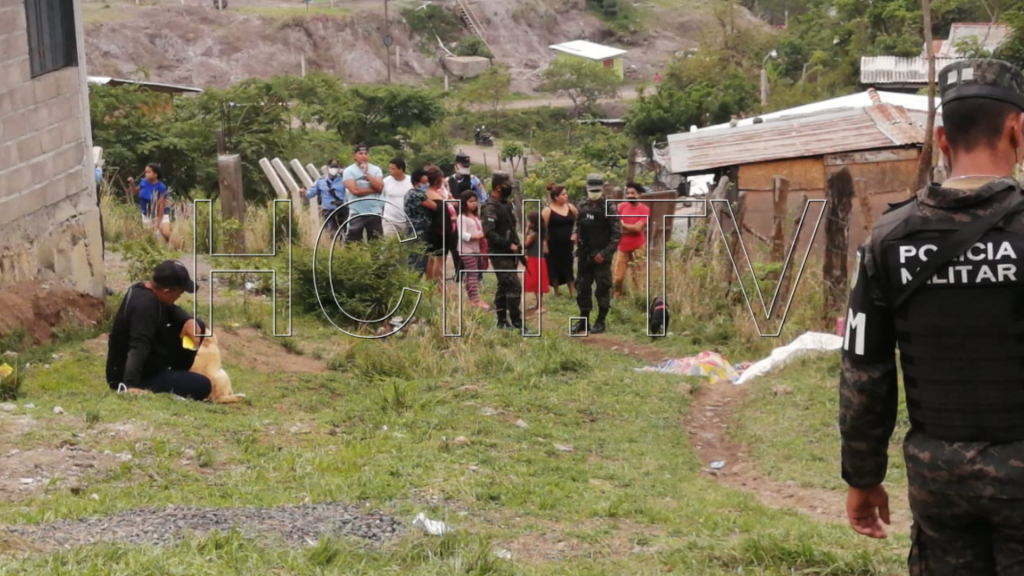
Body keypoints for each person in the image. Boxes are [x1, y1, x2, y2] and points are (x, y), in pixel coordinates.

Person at [840, 59, 1024, 575]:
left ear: (941, 138)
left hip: (937, 476)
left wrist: (863, 475)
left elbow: (863, 371)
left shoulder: (889, 239)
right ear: (1018, 129)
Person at [105, 260, 212, 401]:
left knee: (197, 326)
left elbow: (172, 310)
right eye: (179, 294)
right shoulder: (145, 306)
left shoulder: (144, 290)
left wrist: (188, 320)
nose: (178, 298)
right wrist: (130, 385)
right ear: (166, 291)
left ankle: (175, 375)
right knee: (202, 385)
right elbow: (138, 346)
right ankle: (147, 386)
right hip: (129, 376)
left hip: (151, 365)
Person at [571, 174, 621, 335]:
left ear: (602, 189)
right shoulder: (583, 205)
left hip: (601, 256)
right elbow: (577, 223)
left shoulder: (609, 208)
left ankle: (601, 321)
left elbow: (616, 235)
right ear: (587, 189)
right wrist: (574, 234)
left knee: (602, 289)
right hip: (585, 255)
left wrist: (605, 254)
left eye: (596, 190)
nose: (594, 193)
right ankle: (583, 321)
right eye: (591, 190)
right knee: (582, 289)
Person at [482, 172, 523, 330]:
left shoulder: (505, 204)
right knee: (513, 287)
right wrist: (508, 245)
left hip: (510, 252)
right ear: (499, 187)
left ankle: (501, 320)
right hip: (499, 253)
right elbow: (489, 233)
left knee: (503, 286)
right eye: (508, 186)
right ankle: (517, 323)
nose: (510, 189)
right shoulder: (490, 207)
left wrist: (517, 246)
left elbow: (510, 228)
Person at [614, 183, 650, 299]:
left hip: (638, 247)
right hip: (623, 247)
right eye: (628, 193)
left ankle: (637, 299)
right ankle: (617, 296)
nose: (629, 195)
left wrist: (622, 225)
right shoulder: (622, 206)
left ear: (639, 195)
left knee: (637, 277)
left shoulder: (644, 209)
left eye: (632, 193)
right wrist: (628, 228)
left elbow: (638, 228)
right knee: (618, 277)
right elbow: (614, 224)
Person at [343, 144, 385, 242]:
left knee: (376, 243)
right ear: (355, 156)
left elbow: (380, 187)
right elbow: (355, 191)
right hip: (356, 212)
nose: (363, 156)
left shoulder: (376, 170)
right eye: (360, 153)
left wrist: (366, 173)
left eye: (366, 153)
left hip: (374, 212)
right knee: (353, 244)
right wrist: (373, 189)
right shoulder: (349, 171)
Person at [543, 184, 578, 297]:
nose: (566, 196)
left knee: (568, 266)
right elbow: (542, 230)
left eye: (566, 194)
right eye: (563, 194)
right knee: (553, 267)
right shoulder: (548, 210)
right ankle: (556, 292)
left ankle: (573, 291)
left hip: (568, 245)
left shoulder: (571, 208)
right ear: (556, 197)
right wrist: (544, 245)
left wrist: (576, 235)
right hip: (553, 245)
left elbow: (579, 222)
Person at [457, 190, 489, 310]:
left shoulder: (475, 217)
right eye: (471, 201)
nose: (474, 204)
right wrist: (478, 236)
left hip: (475, 249)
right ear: (464, 203)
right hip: (466, 250)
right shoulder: (462, 217)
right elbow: (462, 234)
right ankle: (474, 300)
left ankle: (472, 298)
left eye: (475, 201)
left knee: (471, 273)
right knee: (473, 274)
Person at [305, 159, 348, 238]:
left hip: (341, 209)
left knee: (343, 232)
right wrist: (304, 192)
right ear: (327, 167)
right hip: (328, 210)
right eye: (332, 167)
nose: (333, 169)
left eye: (336, 167)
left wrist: (344, 172)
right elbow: (311, 192)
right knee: (330, 232)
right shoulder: (321, 181)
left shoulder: (344, 179)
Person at [423, 166, 449, 284]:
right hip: (438, 231)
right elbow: (440, 216)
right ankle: (439, 287)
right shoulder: (434, 196)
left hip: (429, 229)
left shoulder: (426, 193)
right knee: (439, 259)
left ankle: (429, 284)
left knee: (431, 259)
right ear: (438, 180)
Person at [404, 169, 433, 274]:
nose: (427, 185)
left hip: (412, 231)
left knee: (414, 260)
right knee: (418, 262)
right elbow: (435, 207)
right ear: (417, 183)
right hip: (418, 232)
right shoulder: (418, 195)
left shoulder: (409, 193)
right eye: (424, 183)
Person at [523, 209, 550, 312]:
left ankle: (541, 306)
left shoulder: (533, 234)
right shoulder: (542, 233)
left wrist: (525, 233)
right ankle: (538, 305)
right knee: (538, 282)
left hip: (533, 260)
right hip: (540, 259)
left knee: (535, 283)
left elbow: (525, 245)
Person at [382, 158, 411, 239]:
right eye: (389, 168)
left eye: (393, 168)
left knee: (407, 247)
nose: (390, 170)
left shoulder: (410, 181)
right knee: (390, 247)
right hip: (390, 220)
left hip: (407, 221)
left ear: (400, 169)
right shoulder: (386, 181)